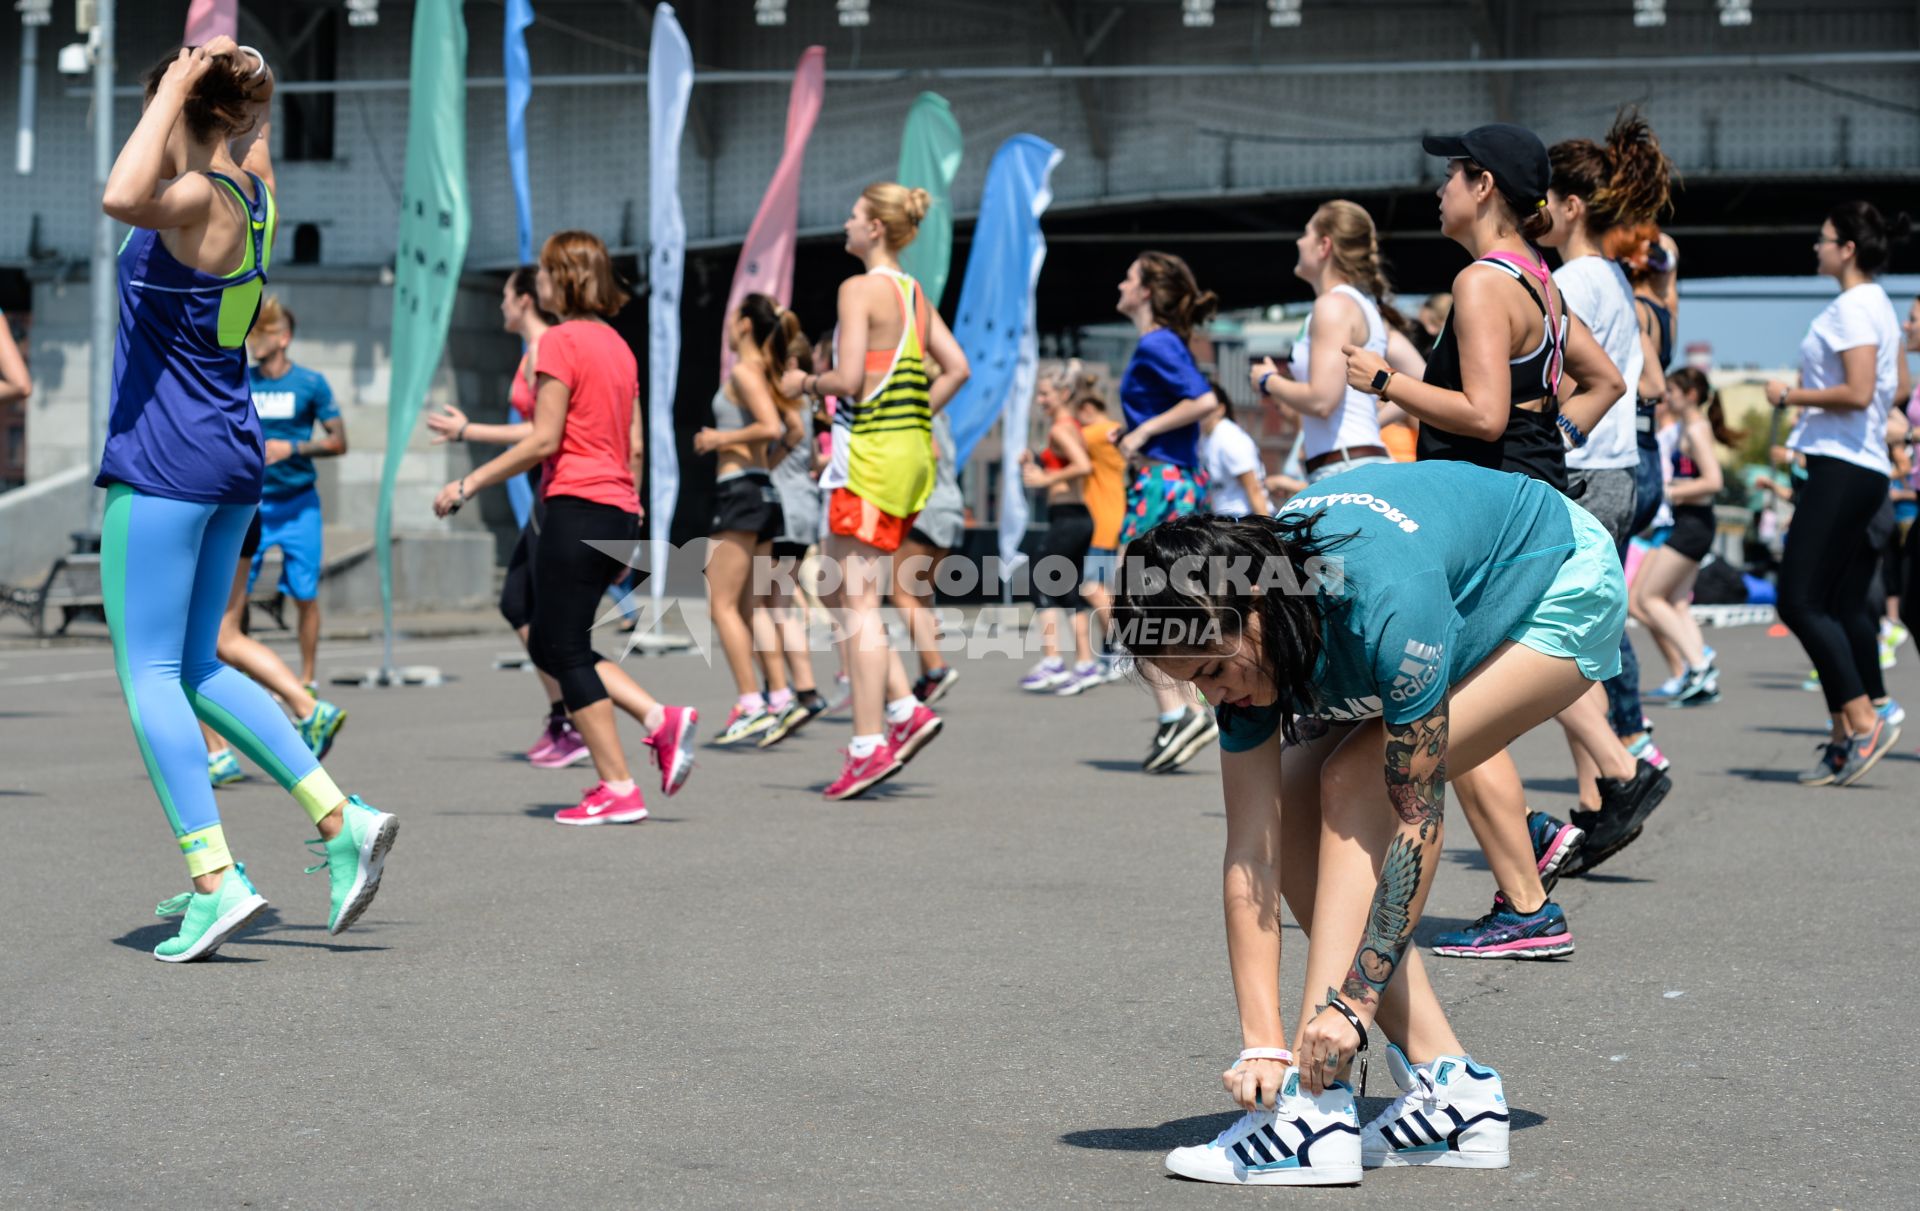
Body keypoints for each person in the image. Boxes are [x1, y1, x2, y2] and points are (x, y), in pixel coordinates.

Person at [1120, 460, 1628, 1184]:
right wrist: (1259, 1043)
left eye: (1213, 669)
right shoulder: (1245, 635)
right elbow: (1250, 855)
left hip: (1558, 577)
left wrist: (1351, 1006)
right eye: (1192, 679)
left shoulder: (1383, 601)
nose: (1213, 694)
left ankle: (1313, 1110)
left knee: (1356, 777)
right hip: (1440, 579)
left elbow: (1416, 822)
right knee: (1294, 807)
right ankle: (1454, 1091)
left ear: (1257, 603)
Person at [99, 40, 395, 960]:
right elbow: (244, 126)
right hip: (225, 455)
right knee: (199, 666)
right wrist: (229, 73)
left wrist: (182, 87)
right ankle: (339, 817)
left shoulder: (194, 198)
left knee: (149, 674)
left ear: (183, 114)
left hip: (166, 457)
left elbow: (119, 193)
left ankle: (215, 878)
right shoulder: (253, 192)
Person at [1342, 123, 1663, 959]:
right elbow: (1607, 381)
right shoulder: (1540, 280)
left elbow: (1483, 413)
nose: (1438, 190)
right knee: (1447, 703)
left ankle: (1524, 891)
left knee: (1431, 716)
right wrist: (1550, 430)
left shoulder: (1483, 283)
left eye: (1450, 174)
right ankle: (1529, 882)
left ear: (1482, 185)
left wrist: (1387, 382)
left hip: (1494, 523)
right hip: (1526, 506)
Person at [434, 230, 696, 823]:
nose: (540, 283)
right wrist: (631, 507)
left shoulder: (558, 342)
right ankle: (654, 728)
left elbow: (545, 439)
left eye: (548, 273)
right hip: (617, 508)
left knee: (561, 645)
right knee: (565, 640)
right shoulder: (619, 347)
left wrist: (467, 484)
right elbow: (631, 444)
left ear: (566, 279)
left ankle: (621, 783)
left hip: (575, 504)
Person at [777, 184, 970, 800]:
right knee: (839, 588)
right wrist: (915, 414)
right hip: (908, 457)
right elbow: (958, 367)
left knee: (856, 605)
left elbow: (851, 378)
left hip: (870, 459)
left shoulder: (858, 289)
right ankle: (901, 711)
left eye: (855, 217)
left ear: (877, 230)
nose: (845, 223)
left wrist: (804, 381)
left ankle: (868, 743)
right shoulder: (912, 294)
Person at [1534, 111, 1680, 846]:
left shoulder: (1572, 281)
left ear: (1570, 207)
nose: (1534, 212)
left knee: (1538, 638)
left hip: (1583, 473)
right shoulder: (1612, 278)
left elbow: (1567, 381)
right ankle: (1597, 791)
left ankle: (1623, 766)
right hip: (1615, 471)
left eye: (1544, 200)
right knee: (1576, 634)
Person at [1766, 201, 1910, 786]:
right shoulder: (1878, 304)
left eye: (1823, 239)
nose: (1816, 247)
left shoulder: (1852, 308)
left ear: (1847, 248)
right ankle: (1841, 737)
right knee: (1825, 601)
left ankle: (1862, 716)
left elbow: (1855, 391)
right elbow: (1894, 383)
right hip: (1859, 464)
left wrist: (1789, 396)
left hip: (1841, 465)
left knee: (1797, 601)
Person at [427, 266, 583, 767]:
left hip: (555, 487)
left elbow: (541, 435)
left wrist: (469, 435)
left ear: (525, 301)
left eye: (505, 297)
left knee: (534, 610)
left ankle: (578, 715)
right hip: (544, 488)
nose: (500, 306)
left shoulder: (546, 350)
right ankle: (566, 712)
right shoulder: (532, 355)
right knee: (521, 605)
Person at [1113, 251, 1225, 772]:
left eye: (1129, 278)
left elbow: (1202, 401)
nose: (1120, 284)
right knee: (1154, 595)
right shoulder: (1159, 343)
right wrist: (1135, 433)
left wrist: (1144, 430)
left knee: (1137, 595)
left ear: (1146, 292)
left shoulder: (1157, 341)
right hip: (1161, 477)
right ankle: (1180, 709)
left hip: (1165, 481)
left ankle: (1181, 711)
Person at [1252, 200, 1426, 484]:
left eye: (1306, 232)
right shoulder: (1366, 308)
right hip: (1355, 463)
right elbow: (1422, 376)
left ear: (1324, 246)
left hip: (1343, 468)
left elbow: (1321, 401)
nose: (1298, 241)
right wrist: (1372, 419)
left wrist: (1267, 380)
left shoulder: (1331, 306)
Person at [701, 294, 798, 747]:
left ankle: (751, 702)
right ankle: (778, 697)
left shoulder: (744, 370)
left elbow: (773, 428)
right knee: (748, 608)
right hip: (759, 490)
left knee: (720, 605)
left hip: (739, 491)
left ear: (742, 324)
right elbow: (792, 430)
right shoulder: (767, 372)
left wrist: (722, 437)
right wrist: (765, 465)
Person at [204, 512, 347, 785]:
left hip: (203, 506)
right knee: (225, 637)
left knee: (187, 649)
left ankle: (219, 754)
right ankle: (306, 707)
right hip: (244, 508)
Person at [244, 296, 343, 688]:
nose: (254, 339)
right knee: (237, 598)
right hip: (251, 506)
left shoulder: (310, 384)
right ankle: (244, 676)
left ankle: (307, 679)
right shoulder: (241, 379)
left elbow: (339, 441)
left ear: (283, 338)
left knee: (304, 593)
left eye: (263, 332)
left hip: (299, 504)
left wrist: (294, 448)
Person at [1630, 367, 1735, 707]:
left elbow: (1713, 482)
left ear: (1690, 395)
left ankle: (1700, 664)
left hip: (1693, 523)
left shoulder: (1697, 430)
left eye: (1672, 391)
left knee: (1647, 598)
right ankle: (1699, 670)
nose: (1667, 397)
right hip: (1689, 521)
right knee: (1674, 601)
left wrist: (1671, 491)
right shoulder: (1686, 429)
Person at [1019, 367, 1098, 694]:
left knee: (1039, 578)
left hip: (1069, 518)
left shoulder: (1062, 429)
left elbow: (1083, 466)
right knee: (1069, 590)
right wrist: (1037, 459)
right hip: (1075, 517)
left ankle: (1053, 660)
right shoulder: (1068, 426)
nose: (1040, 401)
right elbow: (1068, 463)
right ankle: (1085, 663)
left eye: (1045, 394)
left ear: (1063, 395)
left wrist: (1044, 479)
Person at [897, 409, 965, 704]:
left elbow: (929, 453)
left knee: (901, 593)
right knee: (923, 597)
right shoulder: (944, 416)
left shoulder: (917, 410)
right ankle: (927, 676)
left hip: (926, 507)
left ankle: (936, 667)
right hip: (950, 505)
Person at [1198, 393, 1270, 517]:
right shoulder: (1205, 437)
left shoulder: (1229, 438)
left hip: (1244, 518)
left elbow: (1254, 489)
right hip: (1225, 518)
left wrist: (1268, 529)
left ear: (1220, 409)